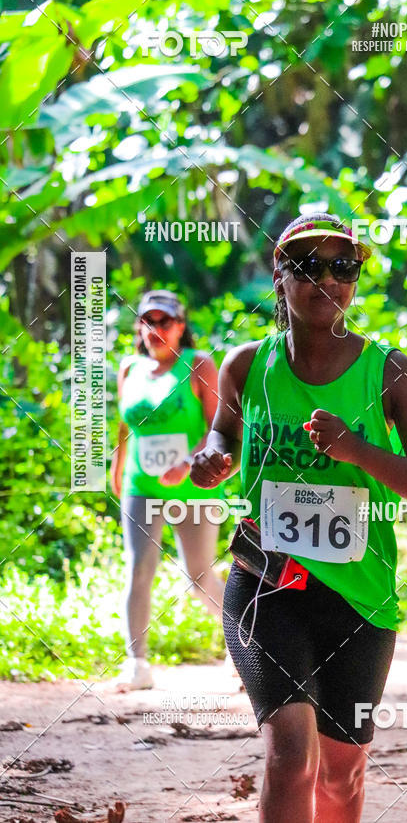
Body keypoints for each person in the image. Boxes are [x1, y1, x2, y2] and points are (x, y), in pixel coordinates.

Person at [190, 214, 407, 822]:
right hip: (267, 584)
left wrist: (357, 449)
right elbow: (221, 439)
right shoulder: (246, 366)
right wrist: (213, 460)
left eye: (343, 266)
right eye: (307, 265)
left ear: (356, 278)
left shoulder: (389, 371)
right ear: (279, 274)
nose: (326, 280)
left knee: (342, 775)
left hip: (359, 598)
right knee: (291, 756)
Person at [110, 289, 224, 690]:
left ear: (180, 327)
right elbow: (126, 424)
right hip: (142, 486)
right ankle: (137, 664)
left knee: (199, 579)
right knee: (138, 569)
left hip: (196, 487)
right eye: (147, 321)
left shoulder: (199, 365)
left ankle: (247, 646)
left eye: (164, 322)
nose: (155, 329)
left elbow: (218, 428)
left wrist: (189, 462)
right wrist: (118, 464)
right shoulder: (129, 368)